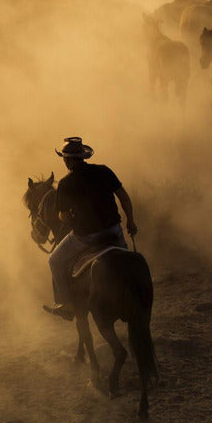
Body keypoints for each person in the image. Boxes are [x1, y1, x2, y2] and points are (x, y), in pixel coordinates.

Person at [43, 137, 138, 321]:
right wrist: (131, 222)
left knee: (54, 260)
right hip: (114, 231)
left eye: (64, 158)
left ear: (68, 160)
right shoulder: (104, 171)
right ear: (83, 156)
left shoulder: (65, 183)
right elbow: (124, 198)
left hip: (86, 237)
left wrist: (70, 218)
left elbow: (62, 216)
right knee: (129, 263)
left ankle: (66, 304)